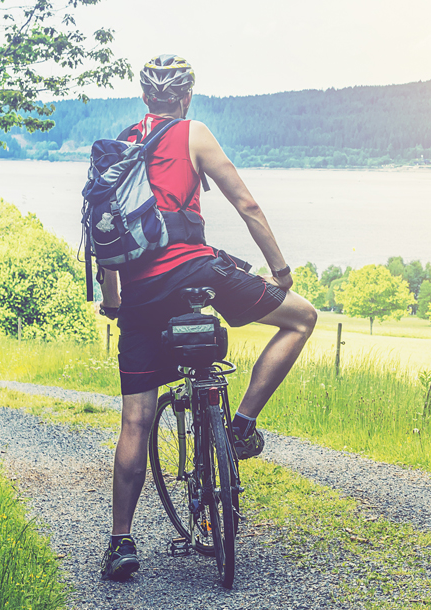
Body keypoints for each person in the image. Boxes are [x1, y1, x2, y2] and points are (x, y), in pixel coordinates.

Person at [97, 54, 318, 580]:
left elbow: (104, 233)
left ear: (144, 96)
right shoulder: (192, 133)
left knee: (135, 420)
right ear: (186, 97)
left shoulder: (121, 146)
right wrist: (280, 271)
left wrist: (113, 298)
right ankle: (240, 427)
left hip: (140, 294)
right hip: (197, 274)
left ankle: (121, 543)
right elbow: (247, 205)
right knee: (301, 318)